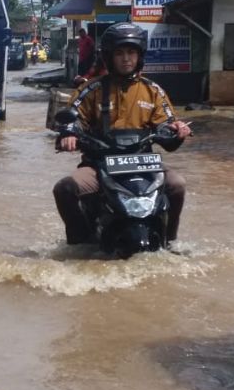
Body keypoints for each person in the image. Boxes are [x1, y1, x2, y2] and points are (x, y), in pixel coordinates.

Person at [52, 22, 192, 245]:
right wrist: (70, 133)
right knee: (64, 189)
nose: (126, 58)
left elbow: (167, 126)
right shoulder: (91, 89)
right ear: (109, 56)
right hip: (99, 164)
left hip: (144, 164)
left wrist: (178, 131)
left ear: (139, 56)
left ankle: (170, 240)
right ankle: (81, 240)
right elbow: (74, 116)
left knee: (178, 185)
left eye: (131, 52)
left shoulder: (153, 91)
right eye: (119, 53)